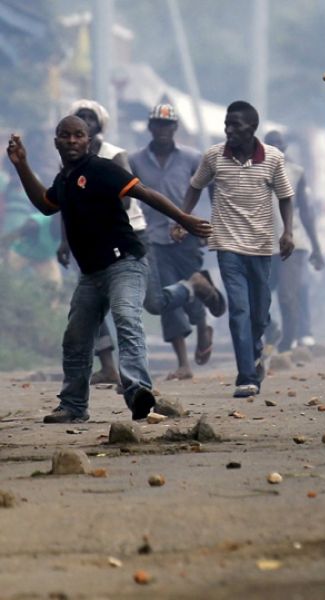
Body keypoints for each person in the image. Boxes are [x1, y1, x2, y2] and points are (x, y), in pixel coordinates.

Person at [5, 117, 215, 423]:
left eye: (79, 136)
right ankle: (74, 406)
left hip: (124, 262)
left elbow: (145, 193)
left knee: (127, 316)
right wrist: (21, 164)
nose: (73, 141)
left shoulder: (101, 169)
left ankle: (138, 390)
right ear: (57, 143)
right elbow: (46, 204)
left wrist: (184, 218)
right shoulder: (65, 180)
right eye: (66, 136)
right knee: (76, 337)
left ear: (88, 141)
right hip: (91, 273)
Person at [179, 101, 295, 398]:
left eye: (236, 125)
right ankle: (246, 376)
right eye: (227, 125)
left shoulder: (272, 158)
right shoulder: (214, 157)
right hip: (228, 245)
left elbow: (285, 196)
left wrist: (288, 232)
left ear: (252, 128)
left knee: (259, 313)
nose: (229, 130)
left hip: (261, 247)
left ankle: (256, 349)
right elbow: (195, 186)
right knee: (239, 310)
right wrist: (183, 218)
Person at [129, 103, 216, 380]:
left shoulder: (192, 158)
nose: (163, 130)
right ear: (150, 127)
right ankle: (183, 363)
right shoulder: (135, 161)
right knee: (167, 296)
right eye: (158, 125)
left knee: (191, 287)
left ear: (175, 128)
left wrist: (207, 224)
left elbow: (210, 188)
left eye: (168, 125)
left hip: (187, 234)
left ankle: (202, 326)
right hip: (152, 237)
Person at [68, 99, 150, 387]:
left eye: (89, 120)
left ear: (97, 127)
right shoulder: (69, 164)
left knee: (134, 309)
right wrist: (66, 242)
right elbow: (61, 204)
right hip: (91, 244)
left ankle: (137, 385)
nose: (83, 125)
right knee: (87, 312)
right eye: (79, 119)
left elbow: (127, 199)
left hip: (127, 237)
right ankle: (106, 369)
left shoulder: (113, 156)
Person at [262, 130, 325, 353]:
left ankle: (288, 341)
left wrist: (317, 247)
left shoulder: (296, 172)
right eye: (271, 144)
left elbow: (306, 211)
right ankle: (272, 331)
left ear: (285, 147)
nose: (275, 148)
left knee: (288, 296)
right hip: (261, 244)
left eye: (279, 144)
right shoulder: (254, 170)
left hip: (292, 242)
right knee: (258, 295)